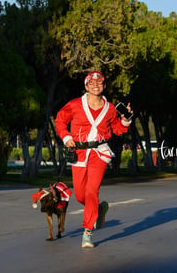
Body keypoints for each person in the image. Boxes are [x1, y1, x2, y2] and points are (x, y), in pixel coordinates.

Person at [55, 71, 132, 248]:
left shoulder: (111, 108)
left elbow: (117, 129)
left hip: (99, 152)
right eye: (92, 82)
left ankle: (87, 232)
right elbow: (60, 120)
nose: (95, 85)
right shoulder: (75, 104)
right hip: (79, 153)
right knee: (81, 195)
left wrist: (126, 121)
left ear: (104, 86)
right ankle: (98, 210)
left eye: (99, 82)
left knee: (91, 191)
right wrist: (66, 137)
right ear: (86, 86)